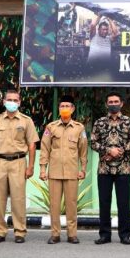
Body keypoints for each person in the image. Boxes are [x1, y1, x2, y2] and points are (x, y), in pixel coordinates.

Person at [0, 88, 39, 244]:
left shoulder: (26, 121)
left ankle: (19, 231)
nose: (12, 103)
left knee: (18, 199)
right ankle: (0, 231)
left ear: (19, 102)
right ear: (4, 102)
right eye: (9, 100)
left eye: (15, 100)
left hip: (19, 161)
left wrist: (31, 166)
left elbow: (32, 145)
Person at [90, 92, 130, 245]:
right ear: (106, 104)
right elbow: (93, 142)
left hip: (123, 169)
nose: (113, 104)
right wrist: (108, 150)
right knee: (104, 203)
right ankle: (104, 235)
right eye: (110, 102)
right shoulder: (99, 122)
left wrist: (120, 151)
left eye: (116, 101)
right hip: (104, 169)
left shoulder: (129, 122)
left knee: (123, 203)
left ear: (122, 103)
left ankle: (125, 235)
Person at [39, 95, 88, 244]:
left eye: (68, 106)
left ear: (73, 109)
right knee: (54, 204)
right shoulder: (51, 127)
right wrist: (42, 169)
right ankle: (55, 234)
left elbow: (83, 151)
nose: (65, 109)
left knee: (71, 204)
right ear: (59, 109)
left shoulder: (79, 128)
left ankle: (72, 234)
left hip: (72, 172)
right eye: (62, 106)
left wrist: (83, 169)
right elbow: (45, 149)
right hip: (54, 172)